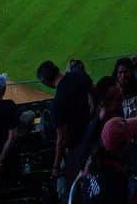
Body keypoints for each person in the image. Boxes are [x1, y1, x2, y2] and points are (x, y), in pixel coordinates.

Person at [37, 58, 93, 188]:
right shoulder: (78, 75)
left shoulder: (57, 103)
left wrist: (56, 166)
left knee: (78, 183)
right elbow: (94, 92)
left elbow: (62, 139)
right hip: (92, 135)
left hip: (77, 148)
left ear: (45, 81)